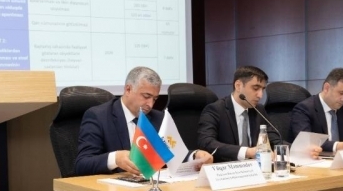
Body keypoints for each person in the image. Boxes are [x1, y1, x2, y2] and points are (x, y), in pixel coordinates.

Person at [74, 66, 212, 175]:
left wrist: (195, 156)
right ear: (128, 89)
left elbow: (173, 153)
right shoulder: (98, 116)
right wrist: (115, 158)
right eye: (146, 96)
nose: (150, 105)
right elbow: (82, 164)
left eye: (154, 99)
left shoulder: (158, 118)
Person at [198, 65, 281, 162]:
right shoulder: (215, 110)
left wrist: (293, 150)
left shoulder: (259, 110)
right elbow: (206, 142)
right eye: (255, 88)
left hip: (255, 168)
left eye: (262, 89)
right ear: (238, 86)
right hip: (227, 168)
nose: (260, 95)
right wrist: (247, 152)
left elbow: (275, 139)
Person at [289, 68, 343, 157]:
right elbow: (305, 142)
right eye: (341, 93)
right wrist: (340, 146)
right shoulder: (304, 109)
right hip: (315, 161)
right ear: (327, 88)